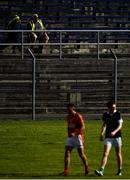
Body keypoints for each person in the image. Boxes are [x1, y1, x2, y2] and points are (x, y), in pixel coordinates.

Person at [95, 100, 123, 176]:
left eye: (115, 107)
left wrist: (114, 132)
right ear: (108, 108)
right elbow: (104, 125)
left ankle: (119, 170)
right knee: (105, 153)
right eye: (112, 107)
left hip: (117, 137)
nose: (114, 108)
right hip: (108, 137)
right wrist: (101, 133)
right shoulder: (105, 115)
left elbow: (120, 125)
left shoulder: (118, 114)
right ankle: (101, 170)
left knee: (118, 154)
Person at [60, 103, 89, 176]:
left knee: (81, 154)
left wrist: (75, 133)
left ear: (73, 108)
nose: (67, 109)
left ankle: (86, 169)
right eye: (67, 108)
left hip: (78, 137)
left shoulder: (78, 116)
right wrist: (69, 134)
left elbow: (83, 127)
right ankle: (66, 171)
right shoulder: (68, 117)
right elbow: (69, 126)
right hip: (70, 137)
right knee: (67, 153)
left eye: (69, 108)